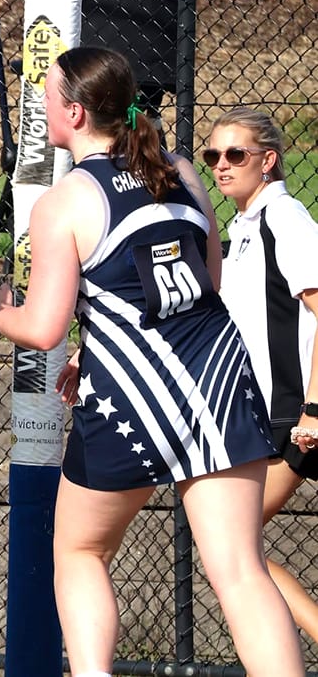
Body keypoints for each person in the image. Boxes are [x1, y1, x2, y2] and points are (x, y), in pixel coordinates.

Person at [0, 47, 304, 677]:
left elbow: (42, 329)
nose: (40, 103)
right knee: (239, 570)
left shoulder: (67, 199)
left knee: (80, 551)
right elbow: (202, 281)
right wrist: (106, 346)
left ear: (72, 112)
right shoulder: (180, 167)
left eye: (46, 93)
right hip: (217, 375)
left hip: (131, 395)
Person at [204, 107, 318, 641]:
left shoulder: (282, 219)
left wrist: (313, 408)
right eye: (212, 156)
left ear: (268, 160)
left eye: (236, 155)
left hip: (294, 415)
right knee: (236, 552)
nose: (221, 166)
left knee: (234, 550)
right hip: (263, 414)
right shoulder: (244, 226)